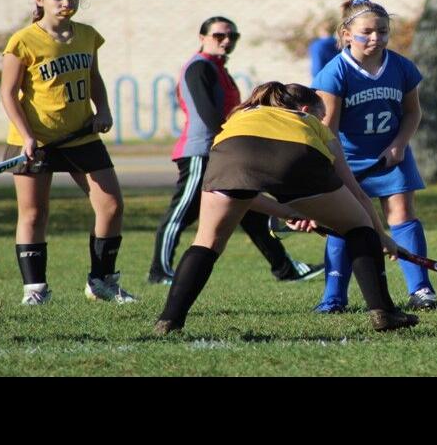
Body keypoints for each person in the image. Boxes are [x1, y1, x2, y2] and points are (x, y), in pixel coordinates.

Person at [153, 81, 418, 334]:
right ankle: (383, 312)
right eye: (320, 114)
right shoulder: (309, 123)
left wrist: (291, 212)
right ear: (306, 111)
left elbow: (245, 195)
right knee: (358, 227)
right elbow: (357, 193)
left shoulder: (239, 118)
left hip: (230, 157)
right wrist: (379, 236)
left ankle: (169, 320)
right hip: (296, 157)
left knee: (206, 243)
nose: (322, 119)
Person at [147, 16, 322, 285]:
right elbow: (208, 114)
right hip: (202, 152)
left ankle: (286, 269)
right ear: (202, 38)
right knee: (182, 211)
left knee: (250, 210)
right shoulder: (199, 68)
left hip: (222, 151)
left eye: (232, 37)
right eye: (219, 36)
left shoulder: (218, 67)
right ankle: (159, 272)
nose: (226, 41)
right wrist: (230, 140)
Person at [0, 0, 133, 305]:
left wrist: (102, 109)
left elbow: (94, 77)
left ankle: (101, 281)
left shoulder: (87, 35)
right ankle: (35, 291)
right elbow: (8, 93)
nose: (66, 3)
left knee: (111, 205)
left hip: (81, 136)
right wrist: (28, 136)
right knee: (34, 213)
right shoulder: (23, 40)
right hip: (36, 139)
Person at [310, 0, 437, 313]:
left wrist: (399, 144)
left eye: (382, 31)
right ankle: (334, 297)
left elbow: (412, 113)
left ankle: (421, 290)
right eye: (367, 31)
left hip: (391, 154)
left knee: (402, 215)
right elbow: (328, 128)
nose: (375, 38)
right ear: (346, 34)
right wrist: (337, 167)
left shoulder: (401, 66)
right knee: (345, 222)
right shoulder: (334, 73)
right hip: (348, 158)